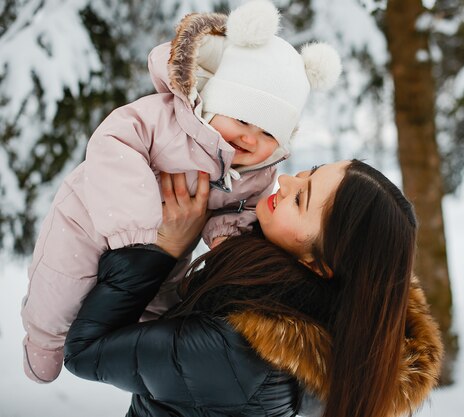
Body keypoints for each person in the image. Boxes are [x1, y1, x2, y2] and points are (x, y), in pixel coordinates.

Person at [21, 0, 342, 383]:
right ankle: (42, 341)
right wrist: (142, 231)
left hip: (167, 247)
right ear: (215, 101)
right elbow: (113, 141)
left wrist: (225, 241)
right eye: (242, 118)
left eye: (269, 133)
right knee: (62, 283)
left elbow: (237, 212)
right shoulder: (167, 119)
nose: (250, 138)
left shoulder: (258, 173)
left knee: (161, 307)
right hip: (88, 217)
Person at [64, 160, 444, 417]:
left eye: (301, 198)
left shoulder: (236, 352)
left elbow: (85, 353)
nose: (286, 181)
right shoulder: (330, 320)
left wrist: (163, 250)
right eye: (308, 173)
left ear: (319, 265)